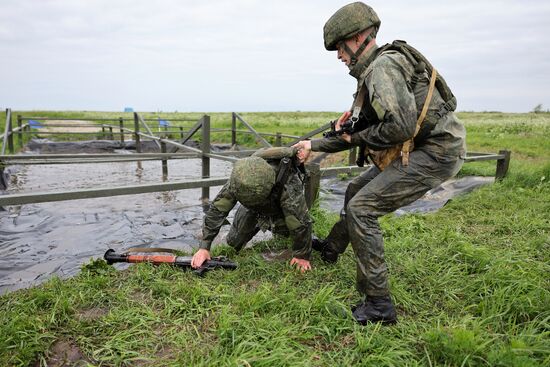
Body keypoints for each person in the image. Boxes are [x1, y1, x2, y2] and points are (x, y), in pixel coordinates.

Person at [293, 2, 466, 324]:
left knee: (363, 208)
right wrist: (313, 144)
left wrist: (352, 139)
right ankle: (332, 247)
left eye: (340, 47)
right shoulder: (374, 72)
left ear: (358, 38)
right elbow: (356, 130)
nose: (338, 56)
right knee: (356, 188)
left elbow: (398, 127)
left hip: (436, 151)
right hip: (416, 147)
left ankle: (379, 305)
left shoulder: (383, 69)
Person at [191, 147, 313, 273]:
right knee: (233, 242)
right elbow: (217, 210)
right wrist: (204, 247)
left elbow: (299, 221)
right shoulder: (240, 179)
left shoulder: (289, 183)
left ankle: (285, 234)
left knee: (285, 236)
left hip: (279, 209)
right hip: (251, 208)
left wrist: (301, 256)